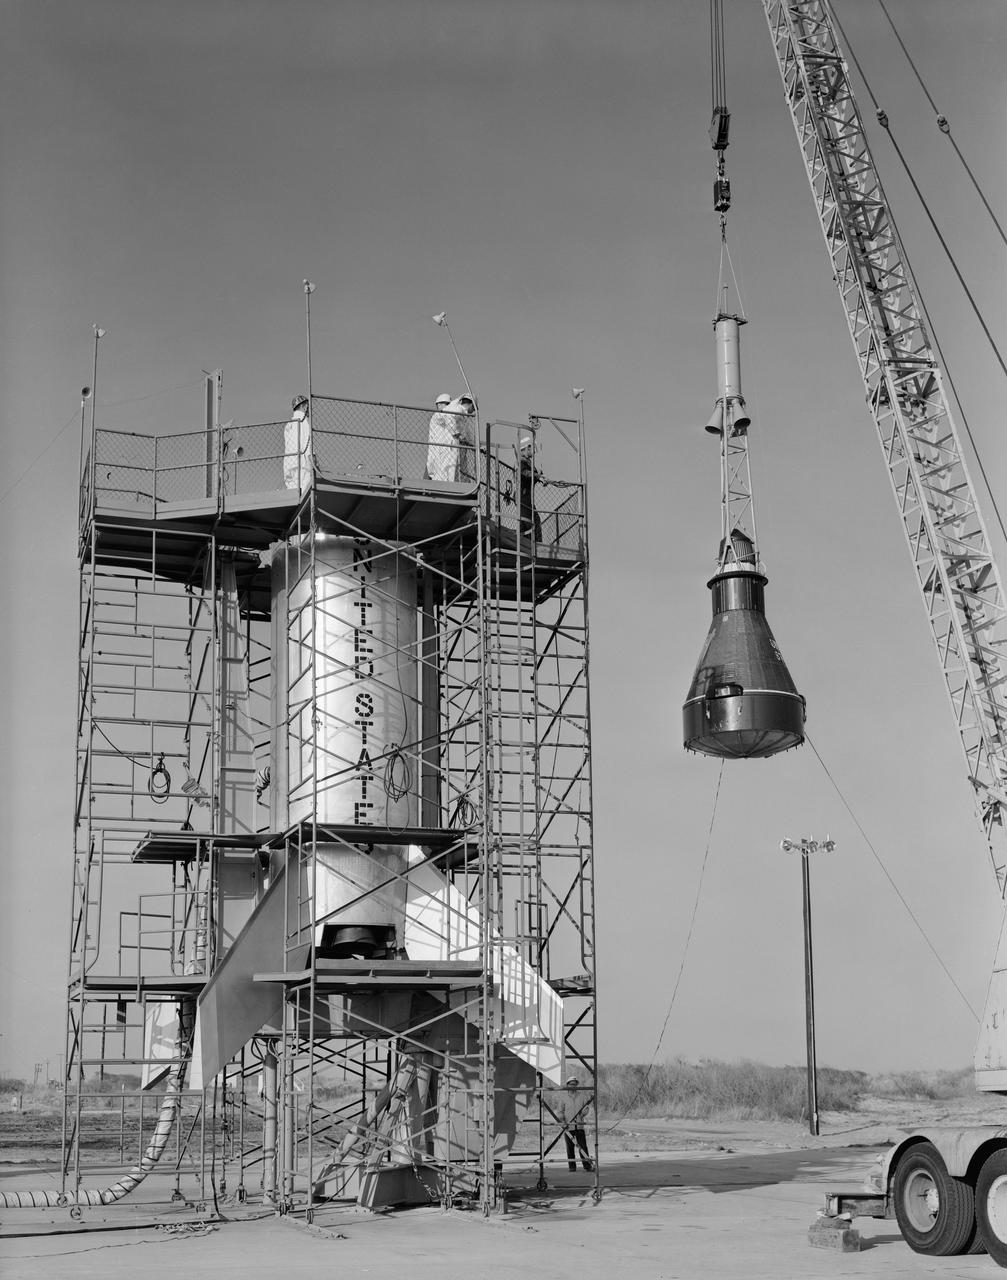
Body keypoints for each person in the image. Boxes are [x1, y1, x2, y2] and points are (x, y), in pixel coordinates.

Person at [558, 1076, 593, 1172]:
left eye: (575, 1084)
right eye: (571, 1084)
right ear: (567, 1085)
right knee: (570, 1147)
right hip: (568, 1127)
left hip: (579, 1126)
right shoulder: (563, 1098)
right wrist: (563, 1122)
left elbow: (586, 1108)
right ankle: (572, 1167)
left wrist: (582, 1114)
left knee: (583, 1146)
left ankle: (587, 1166)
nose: (573, 1086)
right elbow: (560, 1112)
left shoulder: (581, 1096)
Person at [284, 394, 312, 489]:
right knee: (305, 492)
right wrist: (312, 459)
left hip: (289, 465)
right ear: (304, 406)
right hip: (302, 464)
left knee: (293, 495)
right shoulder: (303, 420)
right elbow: (306, 442)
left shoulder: (289, 425)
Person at [517, 435, 542, 540]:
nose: (534, 452)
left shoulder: (527, 463)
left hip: (524, 497)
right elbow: (524, 473)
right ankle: (536, 545)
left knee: (525, 522)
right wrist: (537, 476)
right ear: (527, 448)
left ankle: (524, 541)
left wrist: (539, 477)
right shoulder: (521, 462)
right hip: (523, 496)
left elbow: (532, 474)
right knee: (533, 521)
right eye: (532, 449)